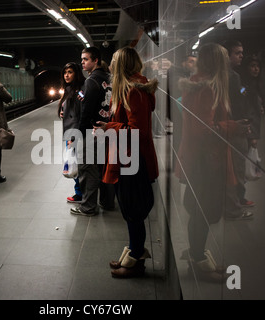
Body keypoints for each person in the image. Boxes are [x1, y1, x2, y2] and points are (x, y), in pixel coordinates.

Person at [176, 43, 251, 281]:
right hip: (208, 160)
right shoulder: (207, 88)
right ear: (217, 62)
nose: (228, 62)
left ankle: (198, 254)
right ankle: (198, 260)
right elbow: (205, 129)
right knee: (206, 211)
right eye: (225, 59)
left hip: (199, 157)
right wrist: (235, 127)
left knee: (201, 209)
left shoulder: (198, 84)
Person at [96, 47, 159, 278]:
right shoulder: (129, 89)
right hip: (128, 156)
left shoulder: (134, 91)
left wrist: (108, 127)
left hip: (134, 160)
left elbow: (138, 131)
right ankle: (133, 252)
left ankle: (136, 263)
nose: (110, 65)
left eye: (113, 61)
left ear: (121, 65)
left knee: (132, 211)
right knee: (129, 210)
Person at [70, 46, 114, 216]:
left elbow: (85, 111)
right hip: (107, 128)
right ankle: (107, 202)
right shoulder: (109, 78)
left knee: (89, 169)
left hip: (92, 131)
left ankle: (88, 207)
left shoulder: (91, 81)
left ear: (95, 60)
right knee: (105, 167)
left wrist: (78, 134)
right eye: (81, 59)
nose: (82, 62)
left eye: (86, 59)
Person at [222, 40, 255, 211]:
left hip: (226, 126)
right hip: (235, 127)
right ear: (226, 55)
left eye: (242, 52)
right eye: (237, 53)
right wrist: (245, 125)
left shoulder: (225, 74)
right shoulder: (232, 76)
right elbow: (239, 104)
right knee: (237, 166)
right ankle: (236, 203)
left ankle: (235, 200)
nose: (241, 56)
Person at [58, 62, 86, 203]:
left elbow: (79, 115)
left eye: (70, 72)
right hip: (71, 132)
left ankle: (80, 194)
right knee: (75, 163)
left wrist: (73, 137)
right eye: (65, 72)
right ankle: (80, 192)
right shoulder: (70, 89)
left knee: (76, 164)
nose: (67, 75)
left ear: (76, 73)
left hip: (74, 134)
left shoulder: (78, 91)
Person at [240, 55, 263, 150]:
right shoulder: (243, 86)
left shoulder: (256, 84)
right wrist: (253, 135)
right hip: (248, 129)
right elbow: (248, 110)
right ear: (246, 68)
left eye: (258, 66)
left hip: (252, 128)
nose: (256, 69)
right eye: (253, 66)